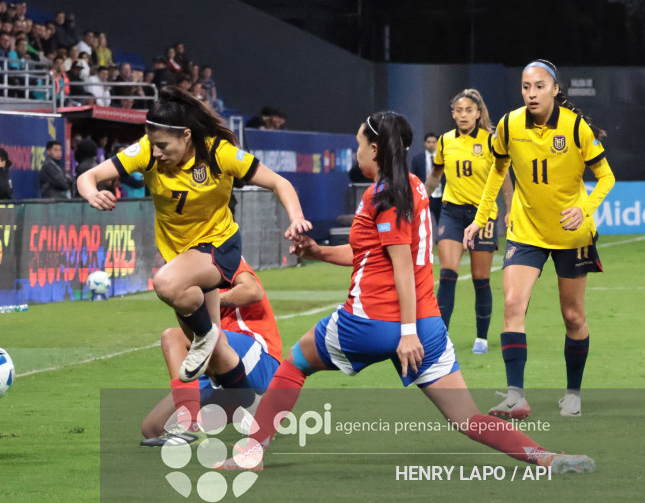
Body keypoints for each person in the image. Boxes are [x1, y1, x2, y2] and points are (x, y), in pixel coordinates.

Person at [217, 111, 595, 475]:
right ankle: (544, 457)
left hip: (372, 322)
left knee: (295, 363)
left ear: (375, 149)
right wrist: (318, 252)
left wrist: (406, 332)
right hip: (427, 327)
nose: (356, 151)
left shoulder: (383, 195)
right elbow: (369, 254)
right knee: (469, 418)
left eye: (359, 144)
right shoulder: (413, 186)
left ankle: (252, 453)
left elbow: (401, 266)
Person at [77, 86, 310, 442]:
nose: (156, 152)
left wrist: (296, 218)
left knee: (166, 284)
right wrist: (92, 192)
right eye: (152, 144)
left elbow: (279, 182)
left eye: (163, 145)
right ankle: (208, 413)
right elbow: (87, 176)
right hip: (186, 261)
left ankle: (210, 345)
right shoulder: (147, 151)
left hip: (219, 247)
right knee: (164, 404)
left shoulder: (219, 153)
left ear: (186, 136)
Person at [464, 60, 615, 419]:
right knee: (513, 304)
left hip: (570, 234)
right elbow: (498, 169)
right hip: (526, 230)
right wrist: (481, 218)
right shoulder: (509, 125)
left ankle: (573, 394)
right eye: (526, 87)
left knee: (573, 316)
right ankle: (516, 396)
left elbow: (606, 177)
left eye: (539, 86)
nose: (531, 93)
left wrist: (585, 208)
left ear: (555, 89)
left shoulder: (576, 127)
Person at [140, 257, 283, 445]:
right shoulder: (180, 277)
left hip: (258, 351)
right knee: (153, 428)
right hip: (219, 356)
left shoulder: (218, 254)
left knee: (172, 337)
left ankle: (190, 424)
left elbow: (252, 291)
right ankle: (255, 411)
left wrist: (211, 302)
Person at [425, 89, 513, 355]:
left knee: (480, 279)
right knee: (447, 275)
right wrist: (418, 201)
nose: (463, 115)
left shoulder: (491, 141)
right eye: (459, 111)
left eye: (468, 111)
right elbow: (435, 175)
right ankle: (440, 340)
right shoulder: (445, 141)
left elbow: (503, 177)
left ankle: (481, 338)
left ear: (477, 113)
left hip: (482, 216)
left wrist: (510, 209)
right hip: (451, 213)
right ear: (453, 114)